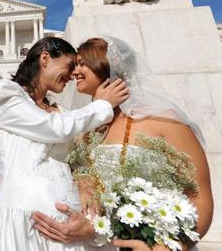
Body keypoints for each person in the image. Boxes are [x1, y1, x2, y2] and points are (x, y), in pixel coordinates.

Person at [32, 36, 213, 250]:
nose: (74, 72)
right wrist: (86, 213)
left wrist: (163, 248)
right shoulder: (84, 132)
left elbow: (199, 197)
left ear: (109, 66)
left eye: (82, 63)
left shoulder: (164, 122)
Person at [0, 37, 129, 250]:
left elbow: (77, 161)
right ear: (45, 58)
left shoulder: (63, 112)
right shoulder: (6, 93)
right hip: (21, 223)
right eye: (70, 65)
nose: (73, 75)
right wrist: (101, 106)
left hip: (69, 229)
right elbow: (52, 128)